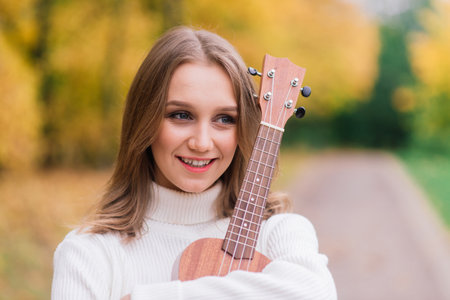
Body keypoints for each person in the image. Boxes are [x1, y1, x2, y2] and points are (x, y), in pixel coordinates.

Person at [51, 26, 337, 300]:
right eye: (181, 115)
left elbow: (317, 293)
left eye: (224, 119)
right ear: (144, 120)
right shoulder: (89, 253)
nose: (201, 143)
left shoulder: (277, 234)